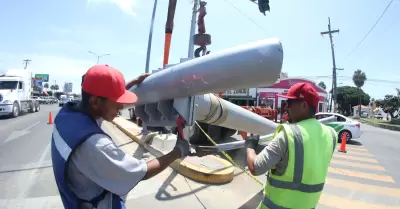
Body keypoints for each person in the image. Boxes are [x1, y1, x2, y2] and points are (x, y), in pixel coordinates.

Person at [51, 64, 192, 209]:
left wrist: (130, 84)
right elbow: (141, 172)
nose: (121, 107)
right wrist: (178, 151)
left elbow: (103, 103)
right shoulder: (95, 145)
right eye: (117, 103)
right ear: (95, 102)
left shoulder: (66, 115)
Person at [245, 82, 338, 209]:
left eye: (289, 103)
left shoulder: (288, 134)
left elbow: (256, 168)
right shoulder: (331, 135)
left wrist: (250, 145)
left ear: (304, 105)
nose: (285, 107)